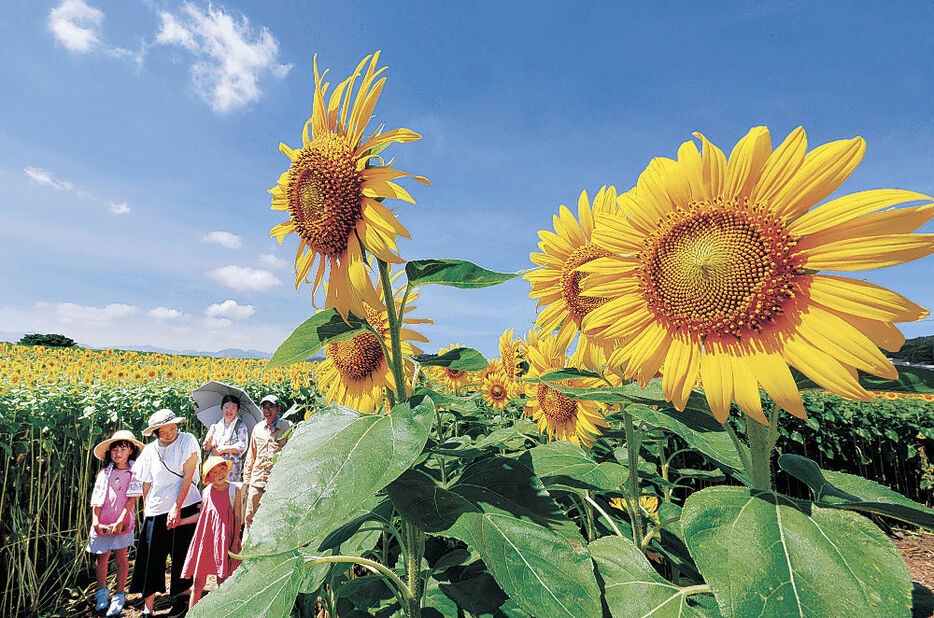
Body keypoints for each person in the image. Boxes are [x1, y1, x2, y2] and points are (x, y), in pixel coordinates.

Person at [130, 409, 202, 616]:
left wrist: (176, 506)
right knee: (150, 558)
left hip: (186, 503)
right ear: (155, 432)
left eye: (173, 428)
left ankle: (181, 598)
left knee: (182, 554)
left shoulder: (187, 440)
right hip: (156, 509)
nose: (170, 433)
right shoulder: (149, 451)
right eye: (164, 430)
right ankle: (148, 607)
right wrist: (146, 511)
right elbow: (146, 483)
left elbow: (188, 475)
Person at [87, 430, 144, 616]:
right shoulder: (104, 472)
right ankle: (102, 592)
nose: (118, 453)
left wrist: (121, 520)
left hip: (123, 521)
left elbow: (132, 499)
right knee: (101, 558)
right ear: (109, 452)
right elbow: (96, 498)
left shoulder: (134, 471)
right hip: (102, 521)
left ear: (131, 451)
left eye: (123, 449)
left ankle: (120, 594)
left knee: (121, 557)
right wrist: (95, 521)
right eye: (114, 450)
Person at [180, 456, 242, 610]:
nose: (219, 473)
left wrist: (234, 544)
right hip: (206, 540)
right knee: (198, 581)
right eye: (213, 472)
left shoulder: (234, 490)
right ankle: (191, 613)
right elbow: (204, 515)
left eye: (221, 468)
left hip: (225, 541)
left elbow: (237, 518)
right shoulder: (206, 491)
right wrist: (181, 521)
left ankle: (224, 611)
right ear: (208, 477)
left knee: (223, 580)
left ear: (226, 469)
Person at [242, 395, 292, 541]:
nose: (267, 410)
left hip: (277, 485)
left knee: (276, 521)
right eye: (264, 407)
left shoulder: (288, 427)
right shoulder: (258, 429)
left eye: (271, 407)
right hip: (257, 483)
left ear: (279, 409)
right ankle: (247, 555)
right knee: (250, 520)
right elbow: (251, 456)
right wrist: (247, 481)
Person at [202, 394, 249, 482]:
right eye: (226, 407)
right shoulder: (215, 426)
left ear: (237, 410)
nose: (229, 411)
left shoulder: (240, 426)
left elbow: (242, 446)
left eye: (232, 408)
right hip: (214, 468)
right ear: (222, 409)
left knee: (230, 493)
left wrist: (223, 449)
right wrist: (208, 443)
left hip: (231, 470)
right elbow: (206, 448)